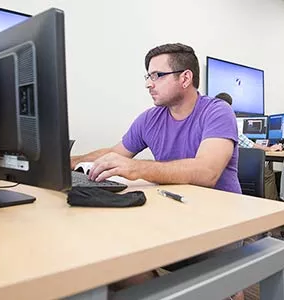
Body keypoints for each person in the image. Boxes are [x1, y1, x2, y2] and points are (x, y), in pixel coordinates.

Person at [71, 43, 244, 300]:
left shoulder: (217, 111)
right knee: (110, 262)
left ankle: (230, 288)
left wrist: (137, 168)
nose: (149, 84)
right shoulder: (150, 118)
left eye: (157, 75)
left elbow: (207, 172)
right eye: (148, 76)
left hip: (218, 225)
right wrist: (70, 160)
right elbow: (115, 153)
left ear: (185, 77)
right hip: (172, 218)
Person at [215, 92, 282, 200]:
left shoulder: (208, 120)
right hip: (230, 171)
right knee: (268, 173)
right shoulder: (227, 121)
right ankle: (273, 205)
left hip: (217, 171)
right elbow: (249, 144)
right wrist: (270, 148)